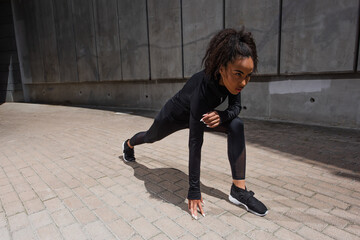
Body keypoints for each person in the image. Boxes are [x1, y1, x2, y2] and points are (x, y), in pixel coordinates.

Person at [122, 28, 268, 219]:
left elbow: (236, 108)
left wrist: (222, 117)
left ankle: (239, 190)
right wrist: (193, 191)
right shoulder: (203, 88)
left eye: (248, 75)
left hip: (200, 116)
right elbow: (195, 142)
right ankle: (129, 144)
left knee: (236, 125)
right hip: (174, 115)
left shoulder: (234, 80)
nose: (243, 82)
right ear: (221, 68)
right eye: (238, 74)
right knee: (151, 137)